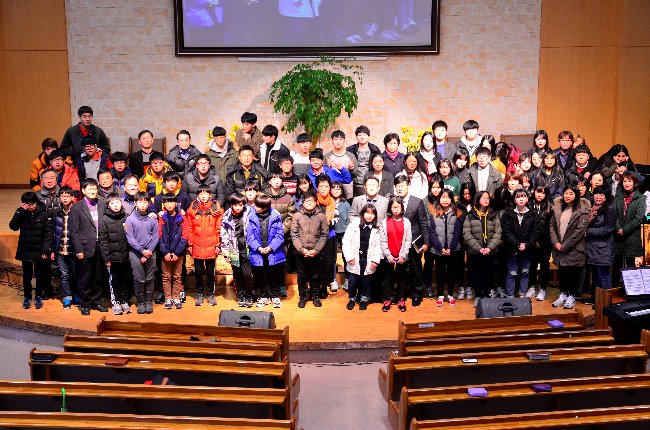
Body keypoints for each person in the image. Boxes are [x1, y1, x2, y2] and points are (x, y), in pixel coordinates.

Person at [69, 178, 107, 315]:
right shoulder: (77, 207)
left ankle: (97, 302)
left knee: (98, 277)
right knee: (84, 278)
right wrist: (78, 249)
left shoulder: (102, 204)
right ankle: (85, 304)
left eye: (94, 188)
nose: (92, 191)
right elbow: (74, 231)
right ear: (83, 190)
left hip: (100, 246)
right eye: (89, 188)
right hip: (85, 247)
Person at [9, 192, 53, 310]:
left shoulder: (45, 213)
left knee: (40, 275)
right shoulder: (22, 213)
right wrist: (20, 211)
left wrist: (46, 250)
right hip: (26, 249)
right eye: (27, 204)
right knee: (27, 275)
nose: (30, 206)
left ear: (36, 202)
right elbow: (13, 226)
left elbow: (49, 233)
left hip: (40, 250)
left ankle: (39, 296)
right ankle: (27, 296)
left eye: (32, 203)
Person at [550, 185, 590, 309]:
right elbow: (552, 226)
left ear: (576, 195)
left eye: (571, 193)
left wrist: (565, 245)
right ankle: (562, 294)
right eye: (566, 193)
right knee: (562, 271)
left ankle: (571, 296)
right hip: (559, 247)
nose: (567, 196)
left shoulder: (583, 210)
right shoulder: (558, 207)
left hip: (574, 248)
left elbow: (579, 232)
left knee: (573, 272)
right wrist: (556, 242)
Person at [393, 174, 430, 306]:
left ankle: (416, 294)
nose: (400, 188)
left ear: (408, 185)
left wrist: (426, 242)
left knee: (416, 268)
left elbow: (423, 222)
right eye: (398, 186)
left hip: (414, 241)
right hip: (398, 242)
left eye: (402, 185)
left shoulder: (417, 201)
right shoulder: (393, 201)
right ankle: (400, 295)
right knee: (400, 269)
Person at [185, 185, 223, 306]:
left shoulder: (216, 209)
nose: (203, 196)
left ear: (210, 195)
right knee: (198, 273)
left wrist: (218, 244)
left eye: (206, 193)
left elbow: (219, 229)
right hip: (197, 245)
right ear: (197, 195)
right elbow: (190, 228)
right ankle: (199, 294)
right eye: (201, 193)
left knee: (211, 273)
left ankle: (210, 294)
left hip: (212, 245)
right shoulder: (192, 209)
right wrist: (190, 244)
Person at [290, 190, 329, 308]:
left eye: (311, 201)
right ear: (303, 202)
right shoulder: (297, 216)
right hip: (301, 252)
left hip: (316, 252)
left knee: (316, 275)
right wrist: (302, 249)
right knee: (301, 276)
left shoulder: (321, 216)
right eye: (306, 201)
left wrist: (316, 251)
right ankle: (302, 297)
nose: (309, 203)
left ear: (316, 202)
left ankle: (315, 297)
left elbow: (324, 235)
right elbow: (294, 234)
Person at [463, 191, 502, 307]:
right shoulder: (470, 215)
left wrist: (490, 248)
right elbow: (467, 234)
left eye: (488, 198)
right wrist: (479, 248)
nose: (486, 200)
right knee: (476, 275)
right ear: (477, 199)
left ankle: (487, 296)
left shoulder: (493, 214)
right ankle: (478, 296)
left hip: (490, 251)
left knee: (488, 275)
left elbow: (498, 233)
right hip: (475, 252)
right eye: (483, 198)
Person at [247, 194, 286, 309]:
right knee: (260, 275)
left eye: (258, 206)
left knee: (273, 274)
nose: (255, 207)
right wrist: (258, 248)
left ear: (264, 208)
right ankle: (263, 296)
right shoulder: (251, 216)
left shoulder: (275, 216)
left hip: (273, 252)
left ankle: (275, 296)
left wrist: (270, 248)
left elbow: (279, 235)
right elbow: (250, 236)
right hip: (258, 252)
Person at [501, 188, 541, 298]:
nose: (521, 199)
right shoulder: (508, 214)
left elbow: (536, 232)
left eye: (523, 196)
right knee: (511, 273)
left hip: (528, 250)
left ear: (527, 199)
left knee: (525, 273)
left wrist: (527, 244)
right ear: (514, 200)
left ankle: (522, 295)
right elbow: (506, 232)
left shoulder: (533, 214)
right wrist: (517, 244)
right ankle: (510, 296)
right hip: (512, 250)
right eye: (518, 197)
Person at [342, 203, 382, 311]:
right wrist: (350, 257)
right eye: (367, 212)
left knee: (366, 281)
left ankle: (364, 300)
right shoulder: (354, 225)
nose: (369, 215)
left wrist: (375, 260)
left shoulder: (377, 228)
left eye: (372, 213)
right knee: (353, 281)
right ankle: (352, 299)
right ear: (363, 213)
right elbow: (346, 241)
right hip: (355, 258)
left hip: (368, 259)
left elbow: (378, 246)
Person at [125, 191, 159, 314]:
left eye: (145, 202)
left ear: (149, 203)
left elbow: (155, 237)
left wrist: (148, 251)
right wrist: (141, 251)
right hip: (135, 253)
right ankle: (140, 302)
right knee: (139, 278)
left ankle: (148, 302)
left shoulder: (153, 220)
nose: (143, 204)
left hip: (150, 252)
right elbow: (130, 238)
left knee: (150, 278)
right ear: (135, 203)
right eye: (140, 202)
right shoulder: (130, 219)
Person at [612, 172, 647, 288]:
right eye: (624, 181)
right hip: (618, 237)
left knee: (631, 269)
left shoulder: (641, 198)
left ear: (634, 183)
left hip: (632, 237)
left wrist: (624, 230)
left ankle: (631, 293)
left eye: (629, 181)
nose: (626, 183)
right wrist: (618, 228)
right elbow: (614, 215)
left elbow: (638, 218)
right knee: (616, 267)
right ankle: (614, 292)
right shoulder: (617, 197)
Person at [98, 192, 130, 315]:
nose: (115, 205)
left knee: (125, 280)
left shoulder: (127, 217)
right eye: (112, 203)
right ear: (108, 205)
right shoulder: (104, 220)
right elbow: (103, 241)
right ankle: (116, 302)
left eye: (117, 202)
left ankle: (124, 301)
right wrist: (106, 258)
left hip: (125, 257)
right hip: (112, 258)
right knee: (114, 281)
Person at [429, 189, 463, 306]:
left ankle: (450, 295)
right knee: (440, 273)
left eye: (448, 197)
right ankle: (440, 295)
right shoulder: (434, 213)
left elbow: (457, 233)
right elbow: (432, 233)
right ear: (439, 199)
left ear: (451, 199)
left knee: (452, 273)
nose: (445, 200)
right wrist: (440, 248)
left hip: (453, 250)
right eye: (443, 197)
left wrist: (450, 248)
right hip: (439, 250)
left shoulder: (456, 213)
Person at [221, 193, 254, 307]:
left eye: (240, 205)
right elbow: (224, 235)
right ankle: (241, 295)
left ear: (244, 204)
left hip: (247, 248)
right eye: (235, 205)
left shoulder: (250, 213)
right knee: (237, 274)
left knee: (247, 274)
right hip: (233, 250)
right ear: (231, 205)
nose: (238, 207)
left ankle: (248, 295)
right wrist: (226, 253)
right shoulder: (227, 216)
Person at [379, 196, 411, 312]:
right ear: (390, 208)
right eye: (393, 207)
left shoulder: (406, 222)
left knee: (402, 278)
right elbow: (383, 240)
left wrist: (403, 255)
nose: (396, 209)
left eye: (398, 207)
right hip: (389, 256)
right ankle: (387, 299)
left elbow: (408, 240)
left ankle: (401, 299)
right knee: (388, 278)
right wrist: (388, 255)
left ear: (402, 207)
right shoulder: (384, 222)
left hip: (401, 256)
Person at [158, 193, 189, 310]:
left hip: (178, 253)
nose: (169, 204)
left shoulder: (182, 218)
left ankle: (176, 297)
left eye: (172, 201)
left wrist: (176, 252)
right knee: (166, 276)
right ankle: (168, 297)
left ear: (176, 203)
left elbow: (185, 236)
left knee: (177, 276)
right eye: (167, 202)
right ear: (164, 204)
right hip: (165, 253)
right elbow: (159, 236)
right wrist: (165, 252)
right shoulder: (161, 218)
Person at [585, 186, 616, 298]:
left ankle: (606, 301)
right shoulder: (590, 208)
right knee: (596, 276)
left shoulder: (610, 209)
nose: (598, 197)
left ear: (606, 197)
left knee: (604, 276)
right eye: (596, 194)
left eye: (602, 195)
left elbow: (608, 229)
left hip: (604, 247)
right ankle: (596, 299)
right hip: (592, 247)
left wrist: (587, 231)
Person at [52, 187, 77, 309]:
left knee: (75, 274)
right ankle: (67, 297)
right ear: (59, 198)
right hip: (61, 250)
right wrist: (53, 250)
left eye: (67, 196)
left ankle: (76, 295)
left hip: (74, 250)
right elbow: (53, 232)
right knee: (64, 275)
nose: (65, 198)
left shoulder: (77, 211)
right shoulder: (56, 212)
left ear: (72, 197)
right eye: (62, 196)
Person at [527, 186, 553, 301]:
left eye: (542, 193)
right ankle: (532, 287)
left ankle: (543, 288)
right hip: (531, 242)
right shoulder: (529, 205)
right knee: (532, 265)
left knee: (544, 266)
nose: (539, 195)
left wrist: (541, 241)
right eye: (538, 192)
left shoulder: (550, 207)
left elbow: (549, 227)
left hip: (545, 242)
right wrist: (533, 240)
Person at [315, 174, 338, 298]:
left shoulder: (333, 202)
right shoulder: (314, 200)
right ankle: (315, 288)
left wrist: (329, 222)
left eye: (326, 186)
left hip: (329, 236)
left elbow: (337, 218)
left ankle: (324, 287)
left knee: (327, 263)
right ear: (317, 187)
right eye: (321, 186)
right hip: (315, 237)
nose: (324, 189)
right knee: (316, 263)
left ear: (330, 188)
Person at [347, 125, 381, 197]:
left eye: (364, 135)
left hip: (370, 182)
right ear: (356, 137)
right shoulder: (350, 150)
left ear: (368, 136)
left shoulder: (374, 150)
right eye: (360, 135)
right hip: (355, 184)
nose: (362, 137)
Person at [331, 181, 351, 292]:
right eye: (334, 188)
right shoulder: (328, 202)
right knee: (332, 257)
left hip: (344, 233)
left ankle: (347, 279)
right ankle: (333, 280)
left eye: (338, 189)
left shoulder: (346, 204)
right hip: (331, 232)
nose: (336, 191)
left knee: (346, 256)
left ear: (342, 191)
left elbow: (349, 219)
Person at [325, 130, 357, 199]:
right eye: (336, 139)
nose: (338, 142)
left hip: (348, 192)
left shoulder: (350, 156)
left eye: (341, 139)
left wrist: (351, 169)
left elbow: (356, 175)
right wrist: (328, 168)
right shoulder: (327, 156)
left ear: (344, 141)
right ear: (332, 141)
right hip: (331, 192)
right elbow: (323, 175)